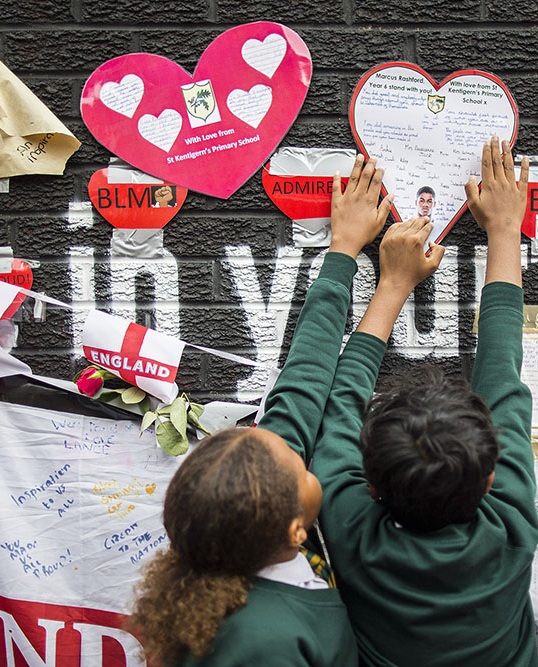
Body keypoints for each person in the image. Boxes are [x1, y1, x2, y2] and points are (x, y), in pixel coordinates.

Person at [128, 154, 393, 666]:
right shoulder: (261, 646)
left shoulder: (252, 527)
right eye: (300, 463)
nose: (296, 444)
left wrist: (344, 251)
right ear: (296, 531)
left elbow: (302, 385)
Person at [314, 137, 538, 666]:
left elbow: (338, 401)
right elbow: (502, 369)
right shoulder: (507, 533)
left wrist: (390, 285)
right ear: (489, 478)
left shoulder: (351, 532)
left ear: (369, 484)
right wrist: (506, 230)